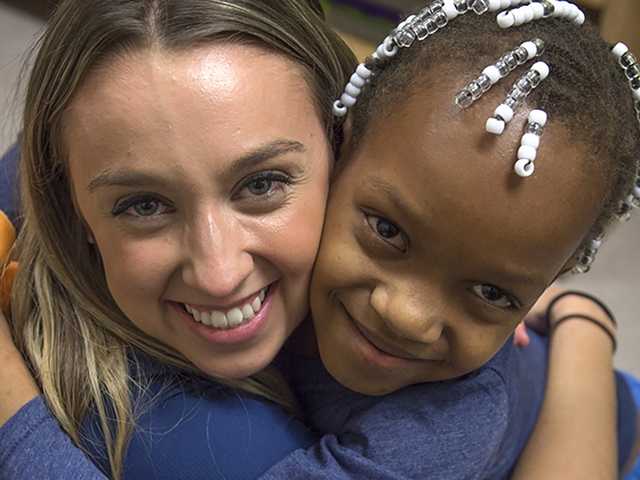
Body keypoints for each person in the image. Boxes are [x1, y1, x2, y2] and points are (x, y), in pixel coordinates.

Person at [0, 0, 631, 479]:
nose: (405, 316)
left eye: (263, 182)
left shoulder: (436, 434)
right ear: (347, 141)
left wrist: (580, 327)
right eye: (387, 232)